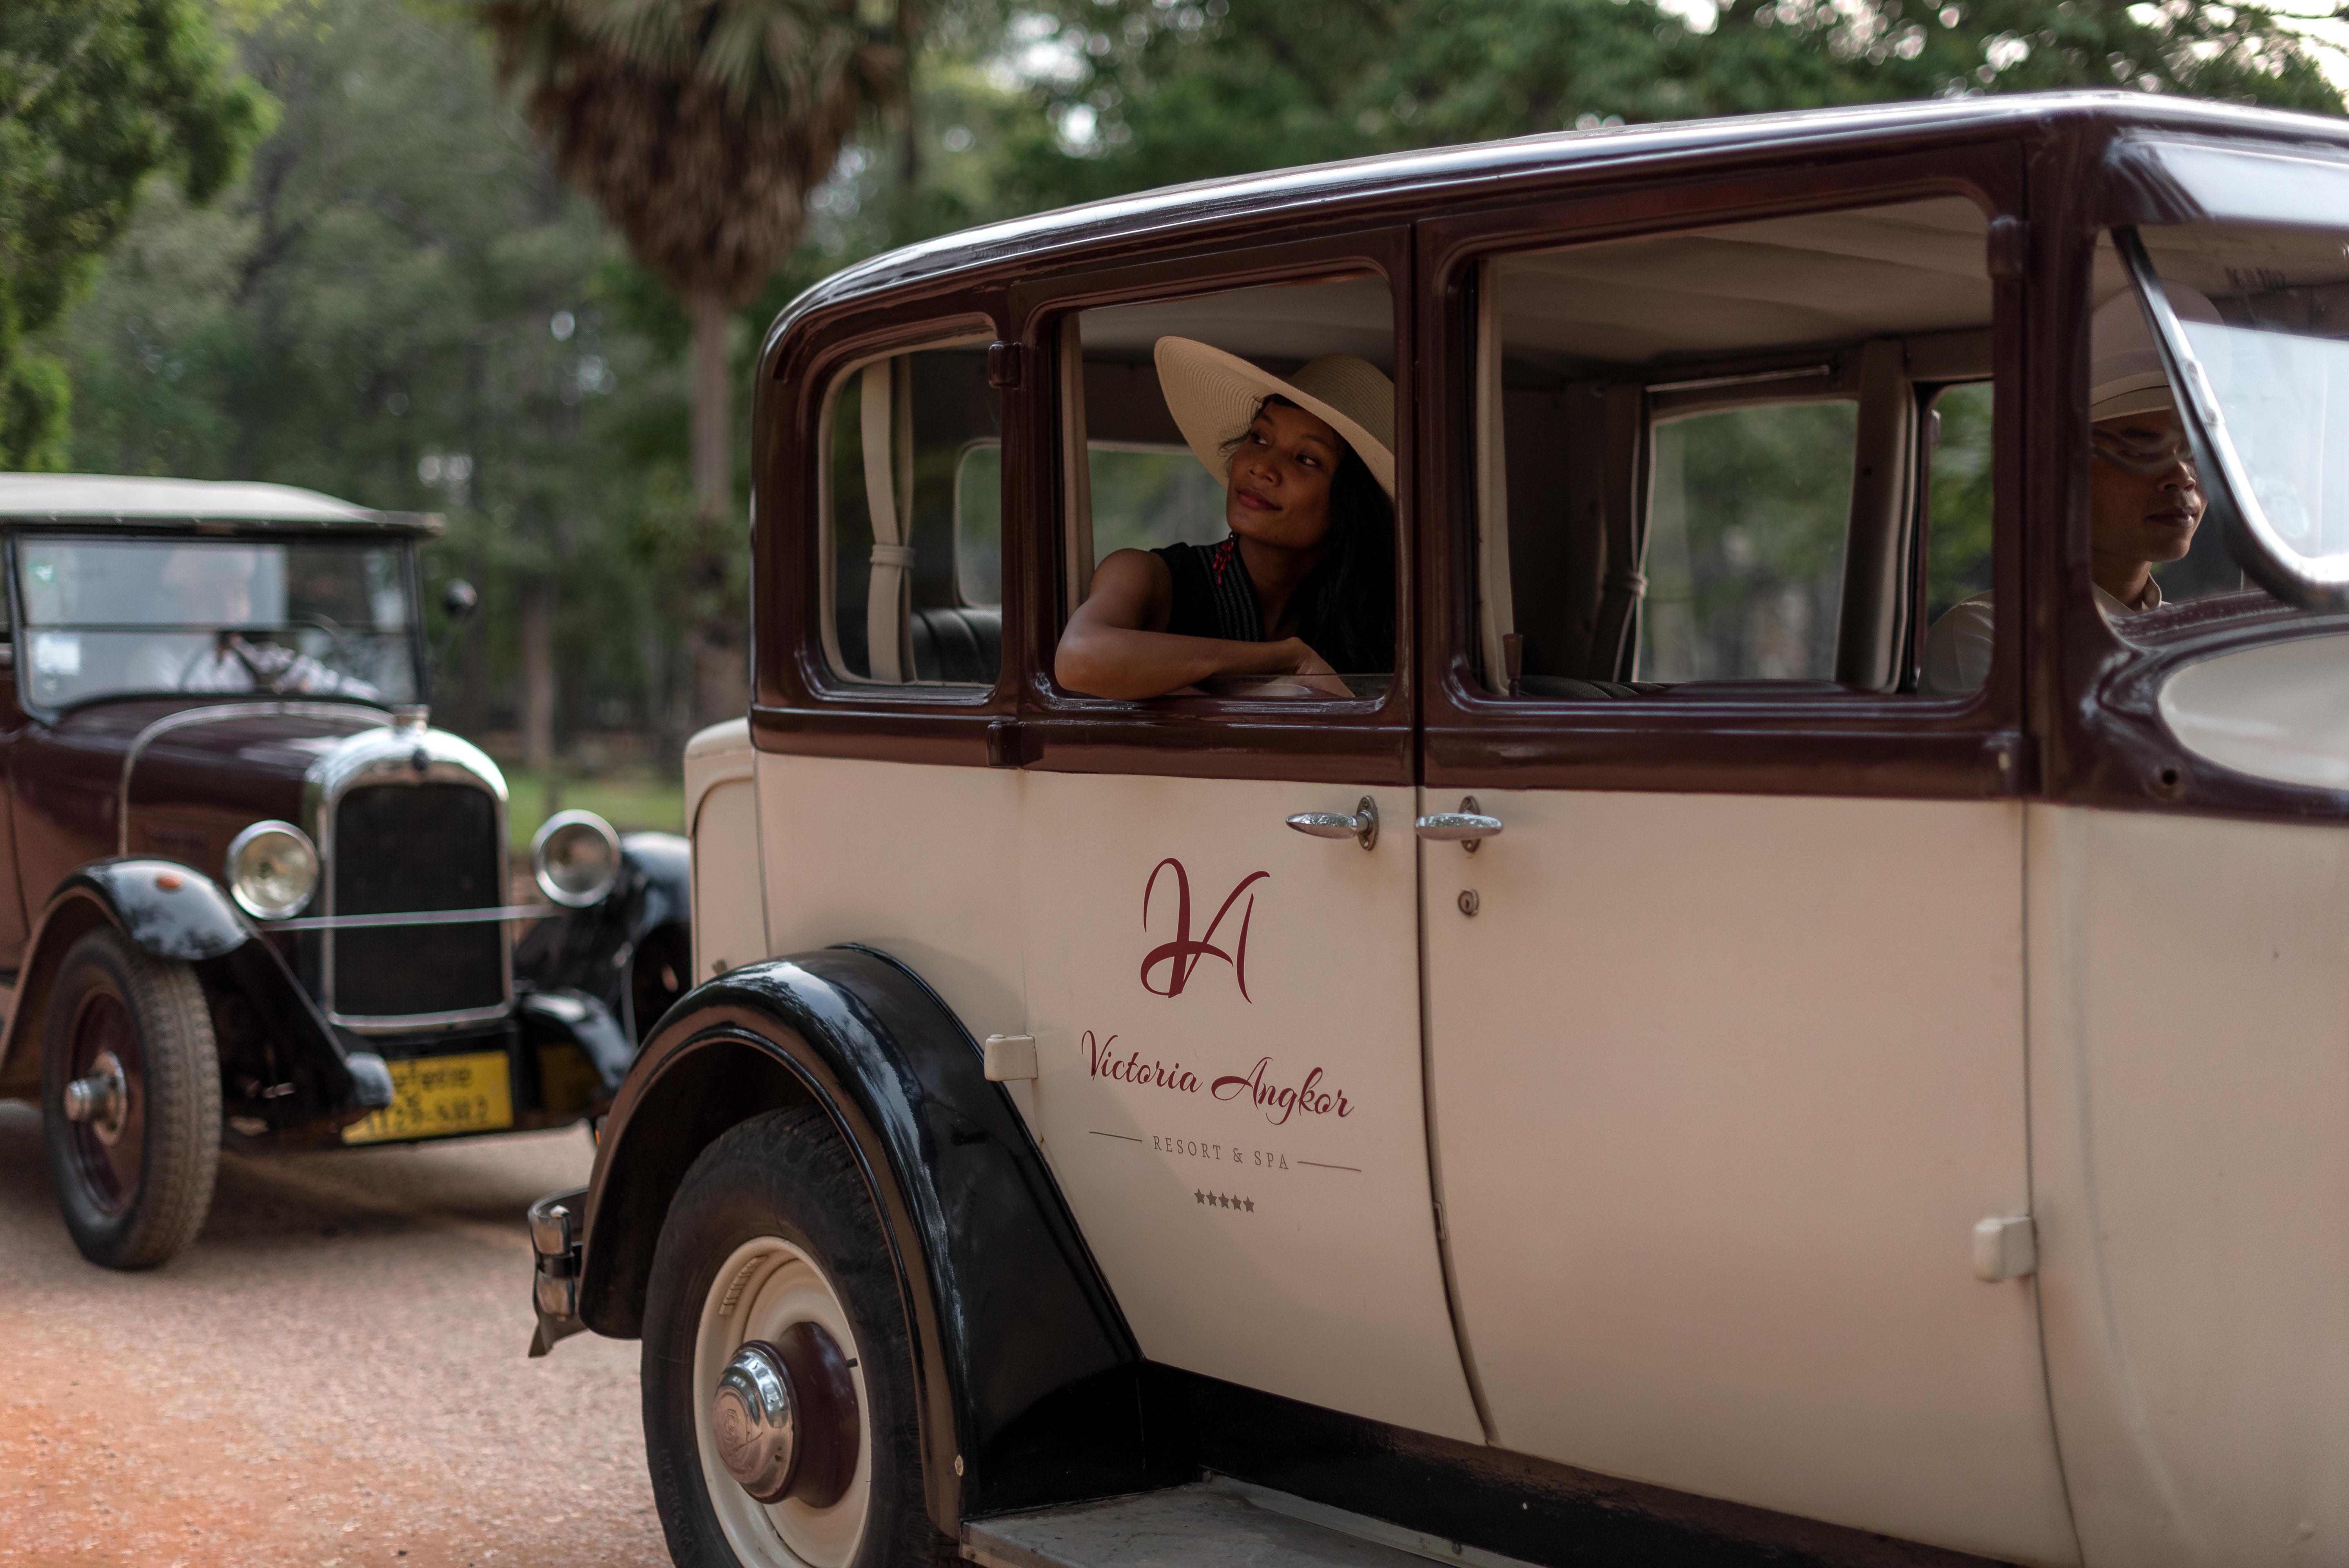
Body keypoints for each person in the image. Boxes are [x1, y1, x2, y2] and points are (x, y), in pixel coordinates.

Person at [1054, 337, 1397, 700]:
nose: (1261, 467)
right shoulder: (1149, 576)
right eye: (1260, 439)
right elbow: (1079, 659)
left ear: (1352, 505)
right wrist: (1287, 659)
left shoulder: (1372, 619)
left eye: (1306, 460)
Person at [1921, 290, 2210, 695]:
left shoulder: (2198, 639)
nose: (2181, 476)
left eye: (2195, 452)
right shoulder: (1990, 634)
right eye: (2137, 448)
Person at [128, 545, 378, 697]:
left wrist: (312, 702)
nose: (228, 606)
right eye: (214, 593)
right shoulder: (158, 662)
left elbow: (363, 697)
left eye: (238, 592)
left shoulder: (266, 661)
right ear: (185, 602)